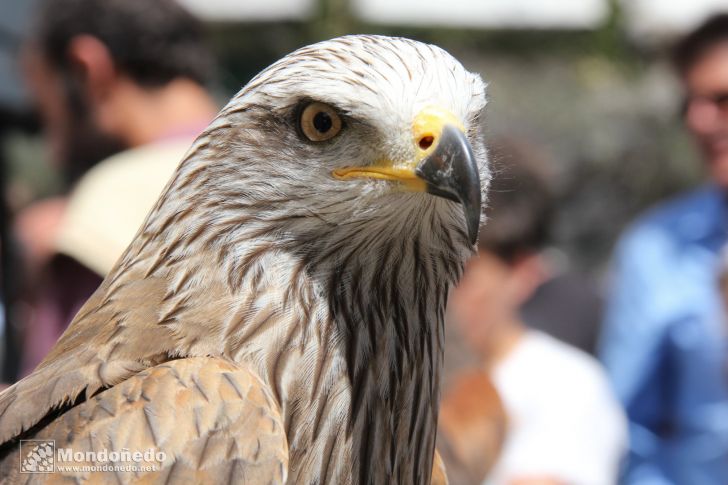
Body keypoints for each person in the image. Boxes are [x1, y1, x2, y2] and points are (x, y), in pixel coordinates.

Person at [14, 0, 218, 375]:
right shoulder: (277, 173)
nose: (53, 151)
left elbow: (58, 423)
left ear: (86, 67)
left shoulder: (111, 196)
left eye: (45, 108)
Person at [599, 14, 728, 485]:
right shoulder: (655, 247)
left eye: (722, 100)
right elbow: (625, 423)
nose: (700, 121)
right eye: (690, 104)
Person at [446, 151, 626, 485]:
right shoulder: (401, 377)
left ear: (522, 272)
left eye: (462, 272)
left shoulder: (566, 385)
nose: (441, 290)